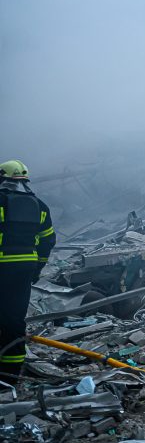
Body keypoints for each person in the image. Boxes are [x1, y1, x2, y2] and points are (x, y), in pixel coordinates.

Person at [0, 160, 56, 383]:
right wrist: (37, 268)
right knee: (14, 321)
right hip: (24, 269)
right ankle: (9, 378)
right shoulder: (39, 205)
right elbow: (48, 240)